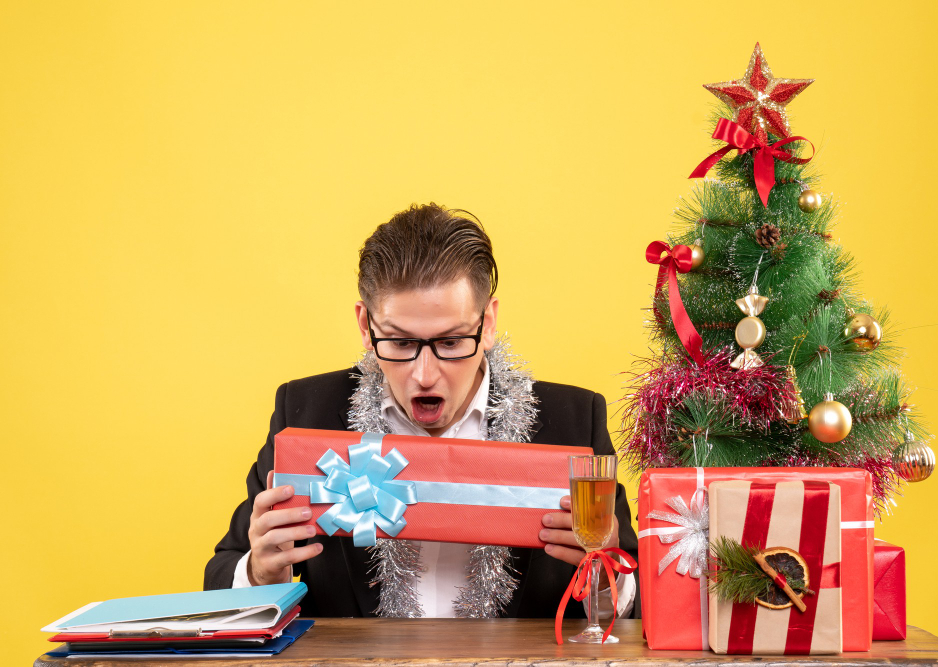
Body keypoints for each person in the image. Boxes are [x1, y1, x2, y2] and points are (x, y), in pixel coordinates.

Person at [204, 203, 638, 619]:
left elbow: (642, 603)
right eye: (400, 342)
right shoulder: (306, 413)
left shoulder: (573, 422)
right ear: (365, 325)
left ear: (487, 324)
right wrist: (260, 574)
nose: (425, 375)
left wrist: (607, 577)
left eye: (450, 342)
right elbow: (221, 577)